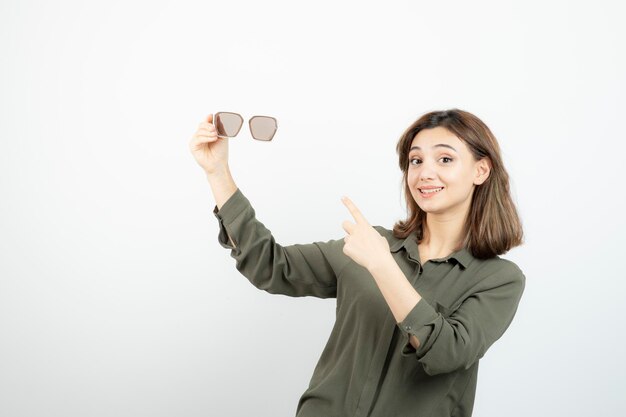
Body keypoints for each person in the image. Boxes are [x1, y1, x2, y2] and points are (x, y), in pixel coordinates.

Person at [188, 109, 526, 417]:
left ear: (481, 170)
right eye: (416, 161)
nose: (425, 173)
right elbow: (271, 265)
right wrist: (218, 173)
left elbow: (446, 353)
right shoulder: (371, 244)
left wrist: (382, 266)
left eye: (445, 159)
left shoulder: (499, 279)